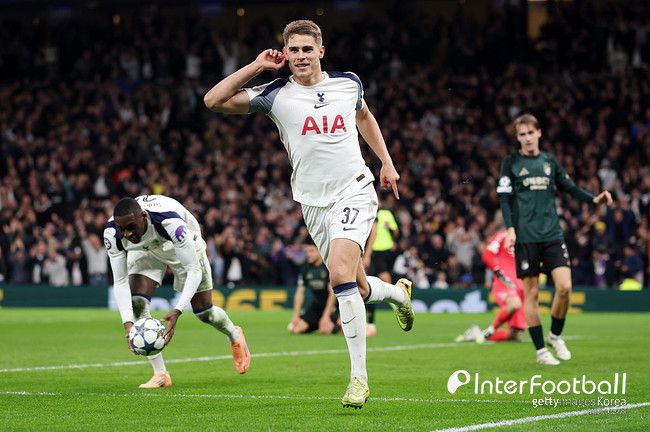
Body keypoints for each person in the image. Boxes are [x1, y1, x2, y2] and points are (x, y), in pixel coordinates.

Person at [204, 19, 414, 408]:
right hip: (313, 203)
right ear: (285, 53)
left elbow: (364, 117)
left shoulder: (348, 83)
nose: (301, 56)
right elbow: (213, 101)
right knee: (359, 288)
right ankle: (398, 295)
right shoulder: (275, 93)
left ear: (321, 51)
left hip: (355, 189)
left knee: (339, 275)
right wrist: (257, 66)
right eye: (294, 50)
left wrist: (386, 162)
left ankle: (358, 379)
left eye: (307, 49)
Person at [498, 114, 612, 365]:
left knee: (565, 288)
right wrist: (510, 229)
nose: (527, 138)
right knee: (532, 294)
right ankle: (541, 351)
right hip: (526, 237)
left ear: (539, 132)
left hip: (551, 235)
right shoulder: (511, 163)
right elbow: (504, 199)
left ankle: (555, 336)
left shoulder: (549, 161)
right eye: (522, 134)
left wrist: (594, 199)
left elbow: (570, 187)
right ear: (517, 138)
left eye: (530, 133)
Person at [104, 195, 251, 388]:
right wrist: (128, 323)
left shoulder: (170, 223)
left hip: (181, 245)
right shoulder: (112, 234)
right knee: (137, 302)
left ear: (144, 216)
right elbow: (120, 280)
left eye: (131, 227)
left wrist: (178, 310)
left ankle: (234, 334)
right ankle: (160, 374)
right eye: (122, 228)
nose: (126, 233)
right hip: (146, 249)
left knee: (204, 313)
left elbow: (193, 270)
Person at [455, 228, 526, 343]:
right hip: (506, 281)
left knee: (515, 335)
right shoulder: (504, 235)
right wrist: (498, 273)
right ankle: (490, 330)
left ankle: (478, 334)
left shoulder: (529, 237)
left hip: (521, 286)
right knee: (514, 303)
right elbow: (487, 255)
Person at [362, 191, 400, 337]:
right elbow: (396, 232)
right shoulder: (385, 214)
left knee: (377, 278)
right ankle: (396, 301)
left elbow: (392, 232)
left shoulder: (377, 213)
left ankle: (396, 301)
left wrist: (367, 253)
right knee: (381, 276)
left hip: (378, 250)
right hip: (381, 249)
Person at [288, 241, 338, 334]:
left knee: (325, 331)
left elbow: (332, 294)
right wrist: (296, 315)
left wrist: (326, 316)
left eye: (311, 251)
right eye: (307, 251)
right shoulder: (305, 268)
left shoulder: (327, 267)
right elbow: (300, 292)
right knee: (295, 329)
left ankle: (339, 324)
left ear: (320, 251)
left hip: (332, 307)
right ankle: (319, 323)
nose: (308, 254)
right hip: (316, 306)